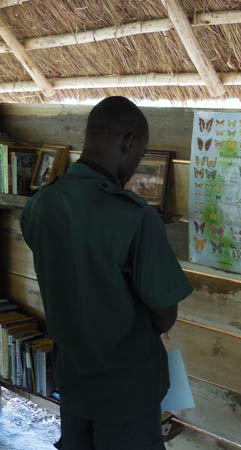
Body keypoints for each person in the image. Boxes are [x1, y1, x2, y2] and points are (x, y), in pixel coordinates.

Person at [20, 96, 192, 450]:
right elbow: (164, 314)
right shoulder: (133, 217)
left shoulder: (41, 204)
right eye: (140, 154)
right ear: (130, 143)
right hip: (126, 392)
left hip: (73, 381)